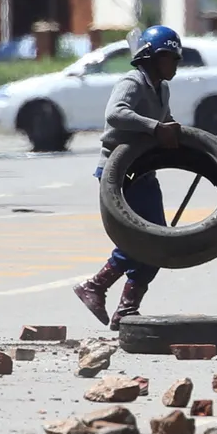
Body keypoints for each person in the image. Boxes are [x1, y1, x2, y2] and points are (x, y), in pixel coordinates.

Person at [73, 25, 185, 330]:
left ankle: (126, 308)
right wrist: (154, 128)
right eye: (169, 57)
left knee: (160, 240)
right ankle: (95, 286)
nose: (175, 63)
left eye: (176, 58)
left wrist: (180, 133)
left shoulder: (162, 89)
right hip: (119, 171)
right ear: (150, 58)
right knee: (143, 237)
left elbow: (166, 121)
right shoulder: (132, 82)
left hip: (144, 170)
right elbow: (115, 114)